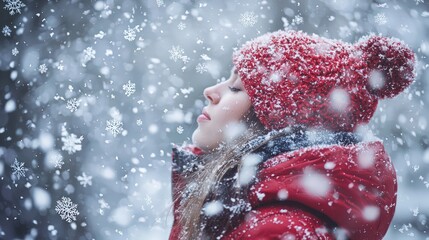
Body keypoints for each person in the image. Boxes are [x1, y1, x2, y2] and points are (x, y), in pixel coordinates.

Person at [169, 30, 415, 240]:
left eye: (236, 88)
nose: (210, 91)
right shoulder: (254, 207)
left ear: (274, 120)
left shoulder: (280, 230)